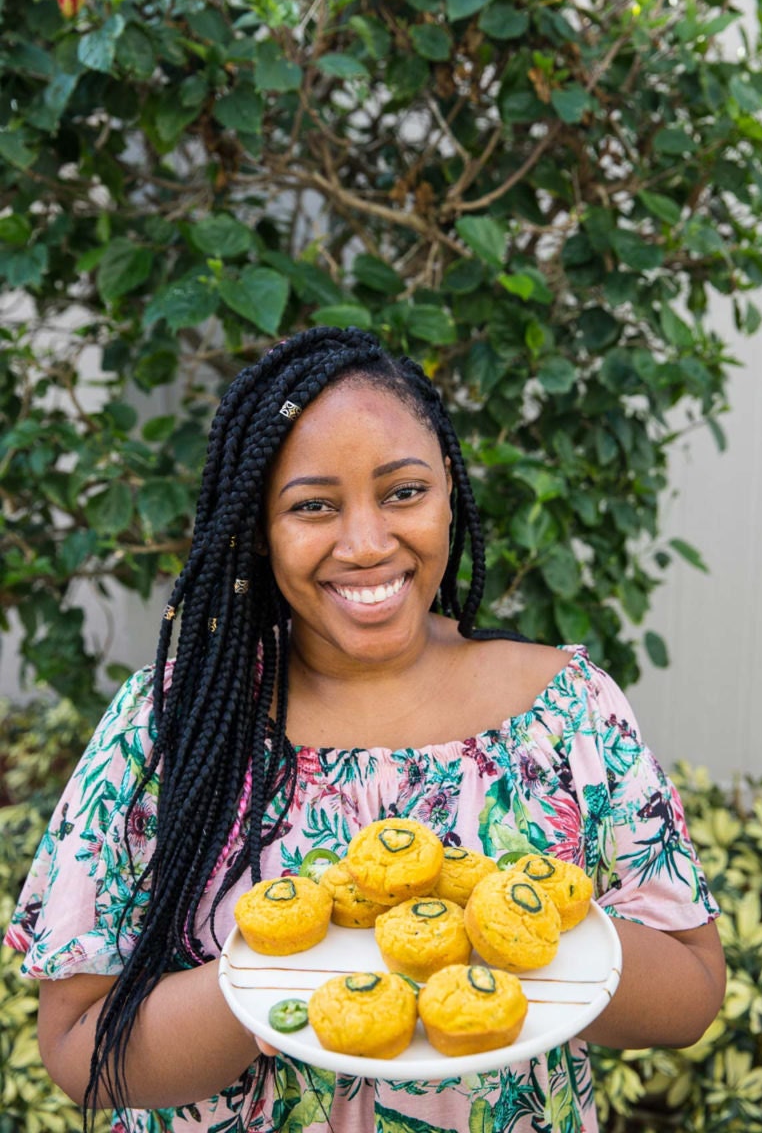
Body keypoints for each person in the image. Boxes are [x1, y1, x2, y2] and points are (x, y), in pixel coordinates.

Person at [5, 325, 725, 1133]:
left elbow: (692, 994)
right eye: (312, 505)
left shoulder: (568, 711)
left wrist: (502, 925)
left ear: (448, 487)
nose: (366, 543)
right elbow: (79, 1051)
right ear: (257, 527)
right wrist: (287, 967)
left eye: (403, 492)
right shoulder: (169, 725)